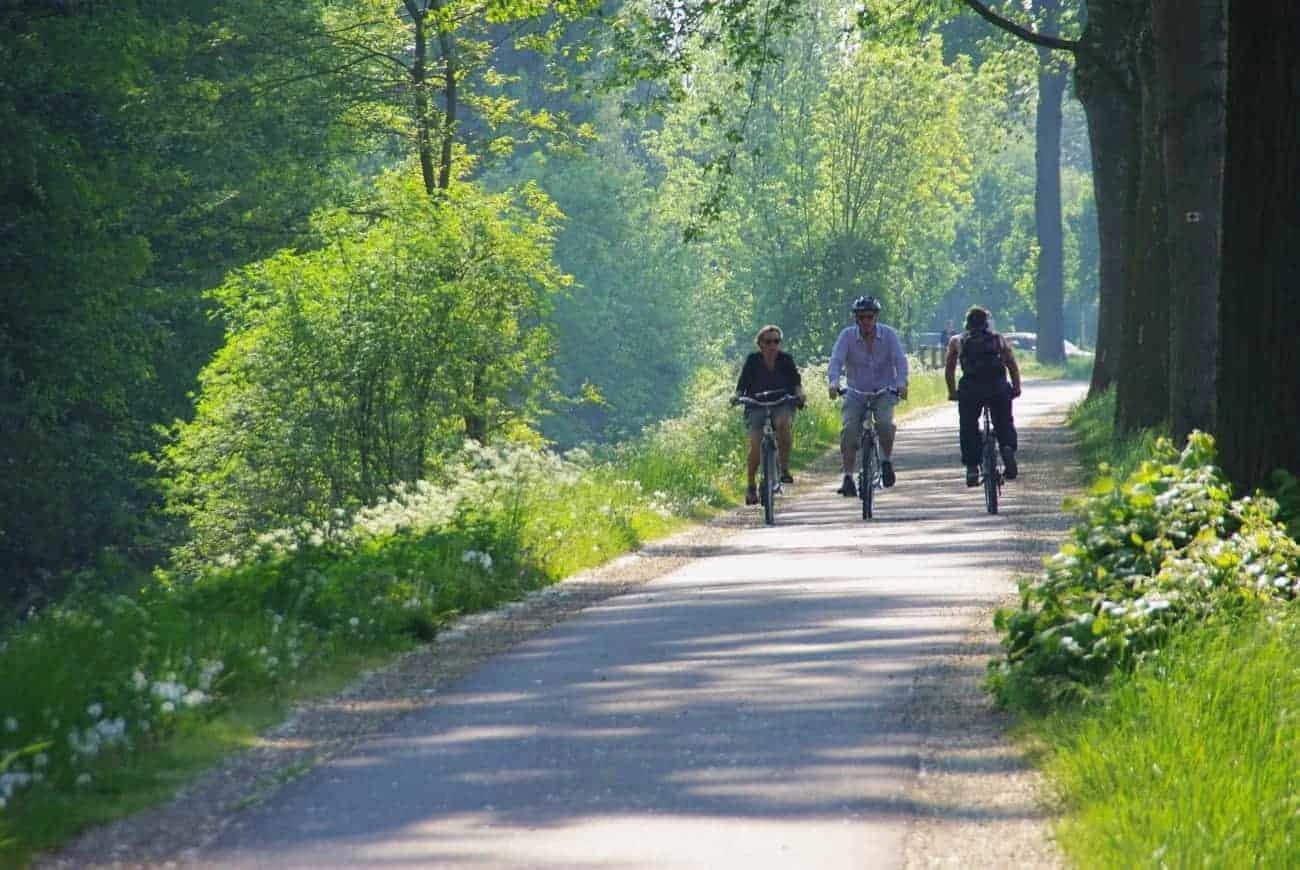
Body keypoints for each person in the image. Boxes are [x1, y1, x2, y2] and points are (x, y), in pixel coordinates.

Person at [827, 295, 909, 496]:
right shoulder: (847, 336)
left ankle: (885, 461)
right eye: (862, 317)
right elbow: (836, 361)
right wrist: (834, 382)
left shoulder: (888, 335)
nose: (866, 321)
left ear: (876, 317)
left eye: (869, 317)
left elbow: (900, 361)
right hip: (856, 392)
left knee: (884, 424)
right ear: (856, 318)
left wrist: (901, 383)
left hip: (883, 391)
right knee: (849, 430)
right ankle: (847, 477)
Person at [944, 305, 1022, 487]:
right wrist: (1016, 387)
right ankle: (1007, 447)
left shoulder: (958, 340)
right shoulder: (998, 339)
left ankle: (972, 467)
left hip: (971, 390)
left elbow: (949, 369)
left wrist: (952, 392)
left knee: (968, 425)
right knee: (1004, 421)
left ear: (967, 323)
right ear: (986, 323)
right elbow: (1011, 363)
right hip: (997, 388)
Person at [735, 325, 806, 506]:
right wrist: (736, 396)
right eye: (768, 342)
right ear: (760, 344)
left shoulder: (785, 360)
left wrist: (799, 394)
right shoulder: (752, 360)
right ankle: (751, 485)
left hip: (781, 402)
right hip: (756, 405)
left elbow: (795, 381)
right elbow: (742, 384)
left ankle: (784, 469)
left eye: (776, 341)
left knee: (783, 423)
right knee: (755, 444)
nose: (772, 345)